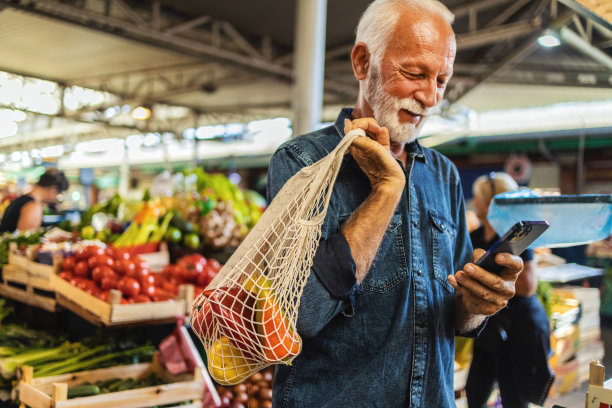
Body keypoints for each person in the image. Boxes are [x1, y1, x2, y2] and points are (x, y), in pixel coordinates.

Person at [266, 1, 524, 406]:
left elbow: (454, 314)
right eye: (414, 73)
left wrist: (477, 305)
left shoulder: (443, 174)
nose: (430, 96)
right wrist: (387, 189)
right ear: (362, 61)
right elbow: (298, 316)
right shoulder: (302, 163)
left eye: (442, 79)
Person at [466, 172, 554, 408]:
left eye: (477, 198)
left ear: (491, 202)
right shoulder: (473, 236)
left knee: (515, 396)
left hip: (516, 327)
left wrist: (492, 272)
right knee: (475, 391)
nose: (473, 202)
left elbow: (527, 286)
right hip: (487, 325)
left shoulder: (516, 238)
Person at [0, 168, 69, 233]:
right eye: (58, 194)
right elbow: (25, 242)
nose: (56, 199)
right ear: (53, 189)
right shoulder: (33, 206)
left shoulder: (20, 200)